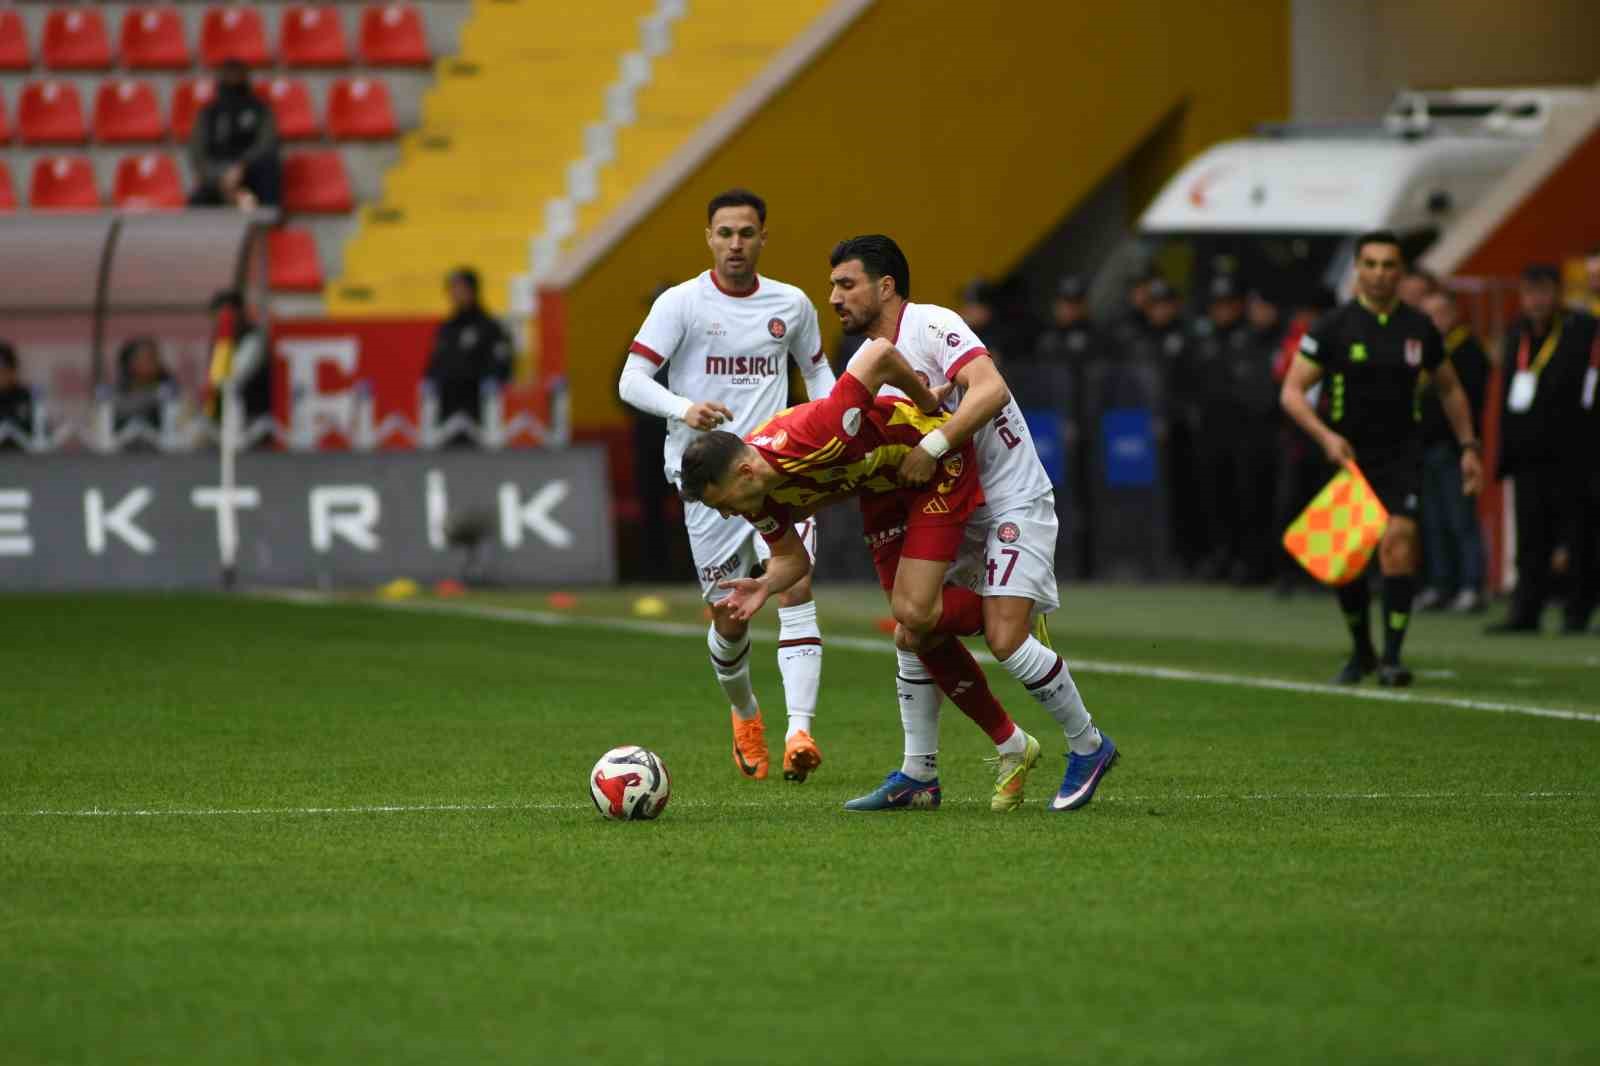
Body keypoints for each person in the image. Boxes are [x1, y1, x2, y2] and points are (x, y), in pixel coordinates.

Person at [688, 339, 1058, 811]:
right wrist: (764, 584)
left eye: (723, 505)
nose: (725, 517)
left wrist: (927, 402)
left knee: (914, 612)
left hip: (933, 461)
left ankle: (1011, 605)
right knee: (913, 634)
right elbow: (793, 561)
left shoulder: (816, 431)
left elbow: (879, 352)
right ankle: (992, 752)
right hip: (881, 490)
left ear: (743, 473)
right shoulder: (757, 496)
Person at [824, 234, 1117, 813]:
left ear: (885, 287)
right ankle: (919, 774)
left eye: (845, 283)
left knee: (1007, 638)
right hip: (956, 511)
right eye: (833, 284)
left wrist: (932, 444)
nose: (833, 296)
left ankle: (1089, 746)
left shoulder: (931, 324)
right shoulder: (865, 363)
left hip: (1011, 499)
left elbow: (991, 389)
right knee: (913, 629)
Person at [617, 189, 835, 783]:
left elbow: (817, 373)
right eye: (724, 233)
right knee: (729, 616)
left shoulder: (791, 303)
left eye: (746, 233)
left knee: (795, 585)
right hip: (706, 481)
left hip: (777, 472)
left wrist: (834, 434)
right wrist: (684, 408)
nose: (735, 243)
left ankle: (799, 732)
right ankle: (745, 714)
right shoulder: (680, 303)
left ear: (764, 237)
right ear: (708, 238)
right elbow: (631, 380)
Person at [1281, 230, 1483, 685]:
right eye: (1370, 264)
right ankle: (1362, 651)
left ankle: (1392, 657)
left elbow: (1449, 387)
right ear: (1357, 269)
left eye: (1389, 265)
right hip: (1346, 457)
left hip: (1402, 455)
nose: (1379, 274)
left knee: (1398, 543)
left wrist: (1469, 446)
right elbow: (1292, 393)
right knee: (1347, 564)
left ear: (1401, 272)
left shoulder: (1420, 329)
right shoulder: (1332, 327)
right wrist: (1325, 437)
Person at [1486, 264, 1598, 634]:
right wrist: (1505, 454)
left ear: (1557, 293)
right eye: (1530, 292)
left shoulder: (1579, 329)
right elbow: (1505, 398)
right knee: (1530, 538)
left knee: (1578, 537)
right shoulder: (1516, 332)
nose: (1536, 300)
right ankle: (1526, 611)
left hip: (1572, 454)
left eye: (1544, 292)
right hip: (1527, 455)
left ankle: (1576, 612)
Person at [1416, 288, 1490, 613]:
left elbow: (1471, 400)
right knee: (1433, 521)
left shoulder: (1467, 351)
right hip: (1424, 447)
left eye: (1437, 314)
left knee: (1461, 519)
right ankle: (1440, 584)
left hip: (1454, 448)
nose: (1432, 322)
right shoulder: (1425, 352)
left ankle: (1471, 585)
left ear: (1452, 314)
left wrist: (1467, 444)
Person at [1187, 274, 1255, 580]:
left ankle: (1245, 558)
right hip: (1209, 433)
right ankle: (1218, 556)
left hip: (1242, 433)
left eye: (1228, 305)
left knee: (1243, 496)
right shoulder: (1202, 340)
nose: (1222, 311)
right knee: (1210, 498)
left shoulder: (1248, 338)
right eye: (1218, 305)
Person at [424, 268, 513, 447]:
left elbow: (502, 364)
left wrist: (489, 382)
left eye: (459, 288)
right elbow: (434, 363)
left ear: (472, 290)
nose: (454, 294)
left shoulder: (489, 326)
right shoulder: (447, 328)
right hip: (446, 411)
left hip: (477, 410)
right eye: (452, 289)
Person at [188, 59, 281, 208]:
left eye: (237, 74)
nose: (233, 78)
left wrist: (241, 167)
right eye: (229, 74)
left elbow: (266, 145)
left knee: (268, 168)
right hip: (218, 179)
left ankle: (267, 223)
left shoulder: (260, 110)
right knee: (197, 202)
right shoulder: (209, 113)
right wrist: (221, 176)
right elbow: (198, 154)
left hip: (252, 176)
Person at [114, 337, 176, 445]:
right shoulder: (120, 389)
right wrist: (152, 397)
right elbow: (119, 410)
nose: (154, 362)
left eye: (155, 357)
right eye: (148, 358)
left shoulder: (167, 385)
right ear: (130, 363)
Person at [0, 342, 36, 450]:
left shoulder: (23, 395)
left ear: (13, 371)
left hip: (21, 459)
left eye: (3, 370)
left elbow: (33, 430)